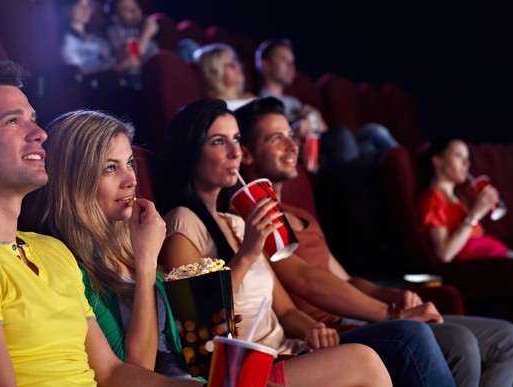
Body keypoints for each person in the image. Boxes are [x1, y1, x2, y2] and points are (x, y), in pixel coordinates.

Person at [156, 97, 451, 387]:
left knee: (402, 343)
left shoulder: (235, 222)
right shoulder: (181, 222)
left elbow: (285, 311)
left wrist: (312, 328)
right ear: (191, 152)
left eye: (236, 138)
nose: (236, 152)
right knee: (367, 358)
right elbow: (199, 328)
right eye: (219, 142)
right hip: (245, 366)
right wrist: (247, 254)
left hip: (288, 348)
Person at [234, 97, 513, 387]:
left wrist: (391, 296)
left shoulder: (301, 214)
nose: (292, 145)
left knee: (508, 338)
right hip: (327, 329)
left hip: (356, 313)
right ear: (245, 154)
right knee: (458, 341)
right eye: (276, 138)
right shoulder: (250, 221)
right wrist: (393, 314)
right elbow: (306, 279)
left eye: (290, 135)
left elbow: (347, 280)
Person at [0, 61, 202, 386]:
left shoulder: (51, 250)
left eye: (34, 120)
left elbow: (112, 372)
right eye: (13, 121)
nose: (39, 134)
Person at [19, 110, 197, 379]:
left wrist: (209, 333)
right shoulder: (68, 265)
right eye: (110, 168)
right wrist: (146, 263)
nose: (131, 180)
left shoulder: (128, 241)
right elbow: (136, 370)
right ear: (74, 181)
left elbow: (167, 346)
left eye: (130, 164)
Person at [255, 38, 398, 170]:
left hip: (328, 145)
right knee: (344, 136)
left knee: (373, 135)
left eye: (292, 61)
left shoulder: (293, 101)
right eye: (283, 59)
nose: (291, 66)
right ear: (265, 64)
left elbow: (325, 131)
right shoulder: (261, 102)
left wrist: (315, 116)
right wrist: (296, 124)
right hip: (312, 153)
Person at [417, 137, 513, 281]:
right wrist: (476, 214)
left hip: (505, 258)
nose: (467, 163)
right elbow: (445, 254)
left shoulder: (455, 198)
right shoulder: (433, 199)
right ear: (438, 161)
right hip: (494, 267)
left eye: (467, 158)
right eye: (458, 156)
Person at [59, 0, 141, 77]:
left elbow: (111, 57)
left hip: (116, 78)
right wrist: (118, 68)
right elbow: (76, 72)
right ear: (66, 9)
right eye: (80, 6)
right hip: (97, 85)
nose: (86, 9)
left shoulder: (96, 35)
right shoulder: (68, 41)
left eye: (88, 5)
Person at [104, 0, 160, 89]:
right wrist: (147, 32)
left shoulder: (143, 24)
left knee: (186, 46)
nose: (134, 11)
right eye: (127, 9)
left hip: (161, 63)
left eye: (136, 6)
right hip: (141, 73)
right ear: (116, 17)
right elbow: (135, 56)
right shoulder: (114, 32)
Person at [192, 43, 255, 110]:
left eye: (234, 60)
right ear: (213, 73)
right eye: (227, 65)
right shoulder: (217, 108)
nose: (236, 66)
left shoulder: (249, 96)